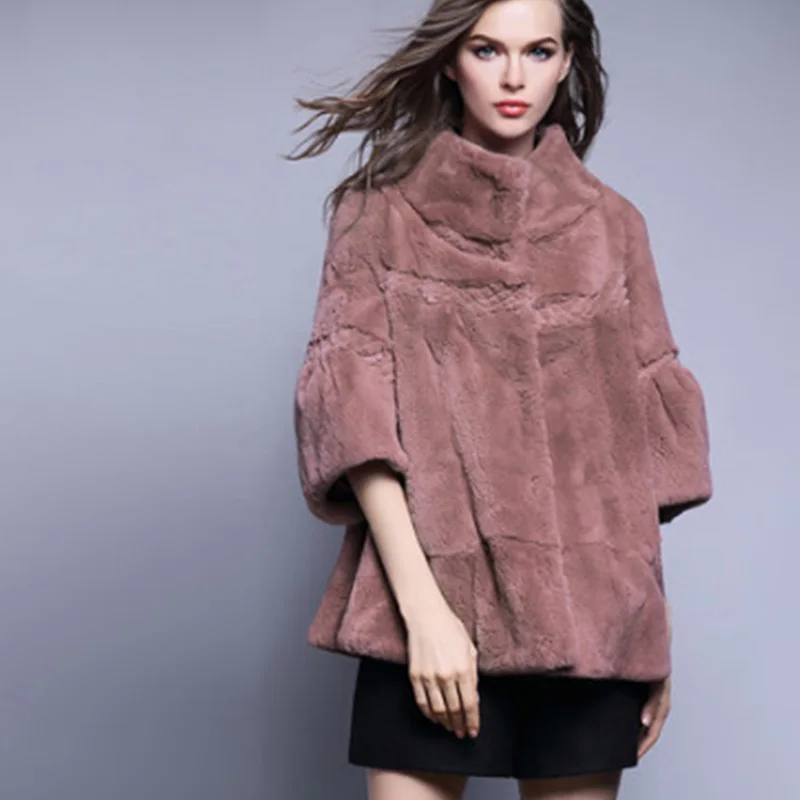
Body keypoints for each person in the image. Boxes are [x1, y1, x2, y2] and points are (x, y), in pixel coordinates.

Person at [287, 0, 713, 798]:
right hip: (425, 620)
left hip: (595, 626)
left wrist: (651, 639)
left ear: (567, 61)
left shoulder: (615, 226)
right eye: (487, 50)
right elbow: (354, 422)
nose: (514, 76)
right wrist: (426, 615)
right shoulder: (377, 215)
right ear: (452, 60)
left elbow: (637, 464)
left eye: (538, 51)